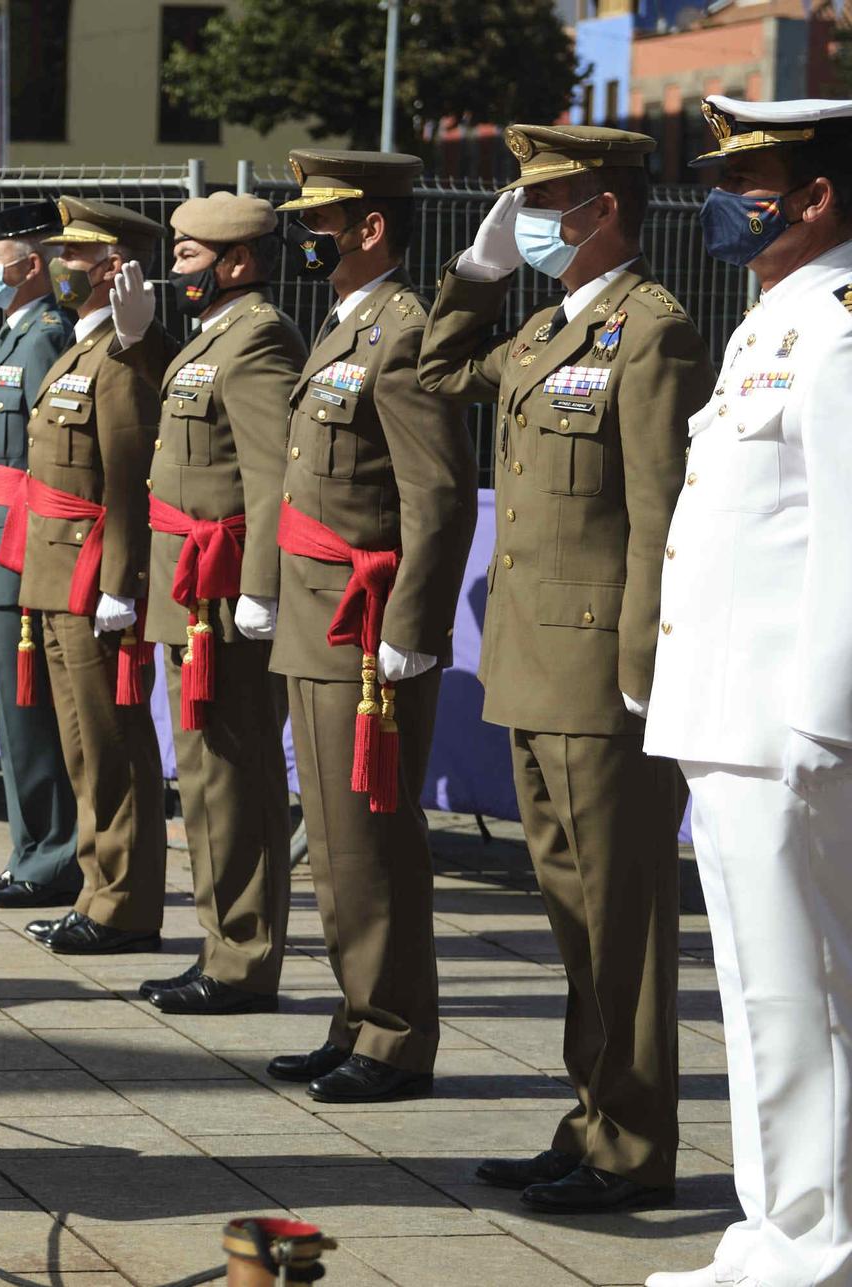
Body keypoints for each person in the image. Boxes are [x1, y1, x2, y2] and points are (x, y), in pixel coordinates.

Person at [419, 124, 707, 1216]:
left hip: (598, 674)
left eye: (549, 203)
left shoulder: (651, 334)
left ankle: (631, 1149)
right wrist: (478, 272)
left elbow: (657, 515)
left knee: (619, 917)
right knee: (569, 916)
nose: (533, 219)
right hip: (531, 668)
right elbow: (436, 369)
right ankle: (589, 1121)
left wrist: (642, 668)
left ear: (607, 210)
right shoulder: (546, 325)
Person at [643, 96, 852, 1287]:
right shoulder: (771, 318)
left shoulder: (832, 325)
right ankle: (773, 1228)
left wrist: (825, 714)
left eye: (751, 177)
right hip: (724, 712)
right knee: (757, 991)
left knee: (805, 991)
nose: (725, 197)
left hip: (786, 720)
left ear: (814, 197)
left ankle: (816, 1242)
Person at [266, 150, 477, 1103]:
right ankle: (355, 1014)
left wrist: (412, 624)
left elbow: (437, 495)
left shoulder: (402, 331)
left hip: (363, 631)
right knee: (338, 838)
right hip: (318, 620)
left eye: (319, 223)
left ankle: (395, 1036)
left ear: (371, 229)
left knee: (371, 842)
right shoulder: (345, 325)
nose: (304, 238)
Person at [109, 193, 304, 1015]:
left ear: (237, 262)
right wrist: (142, 341)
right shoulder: (212, 338)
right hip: (193, 589)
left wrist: (261, 586)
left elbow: (269, 478)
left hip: (225, 598)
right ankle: (221, 946)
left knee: (233, 778)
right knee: (202, 777)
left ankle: (243, 957)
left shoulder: (257, 337)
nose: (174, 267)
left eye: (188, 256)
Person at [0, 196, 167, 957]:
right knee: (80, 747)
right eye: (62, 253)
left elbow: (129, 477)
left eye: (76, 255)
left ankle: (124, 904)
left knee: (111, 745)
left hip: (95, 576)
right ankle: (98, 890)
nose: (62, 265)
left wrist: (121, 581)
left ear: (114, 269)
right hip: (58, 573)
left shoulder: (120, 358)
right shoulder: (80, 347)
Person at [0, 200, 83, 911]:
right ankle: (30, 849)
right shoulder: (19, 333)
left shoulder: (42, 338)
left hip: (18, 553)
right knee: (15, 716)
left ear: (30, 264)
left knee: (31, 714)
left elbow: (53, 459)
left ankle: (52, 856)